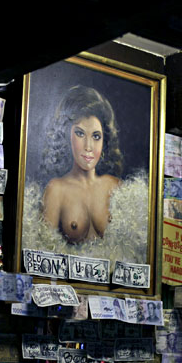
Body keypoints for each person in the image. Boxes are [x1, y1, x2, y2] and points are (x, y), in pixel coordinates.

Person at [42, 85, 123, 244]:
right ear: (67, 135)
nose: (88, 146)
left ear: (104, 141)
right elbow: (44, 249)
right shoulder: (56, 190)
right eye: (80, 133)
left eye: (96, 136)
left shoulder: (114, 186)